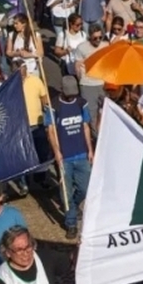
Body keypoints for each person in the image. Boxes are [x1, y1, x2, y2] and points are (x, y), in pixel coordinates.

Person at [45, 76, 94, 240]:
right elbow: (51, 131)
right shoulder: (54, 106)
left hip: (81, 154)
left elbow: (85, 126)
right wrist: (57, 152)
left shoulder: (81, 103)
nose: (72, 96)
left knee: (85, 188)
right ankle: (71, 223)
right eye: (69, 94)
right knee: (65, 192)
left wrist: (90, 150)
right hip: (65, 156)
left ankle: (73, 205)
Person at [74, 24, 109, 130]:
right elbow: (77, 65)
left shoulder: (106, 45)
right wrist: (81, 80)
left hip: (103, 83)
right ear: (89, 36)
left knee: (105, 112)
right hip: (88, 84)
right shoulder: (81, 48)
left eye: (100, 37)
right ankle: (96, 138)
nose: (98, 40)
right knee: (91, 114)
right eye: (95, 38)